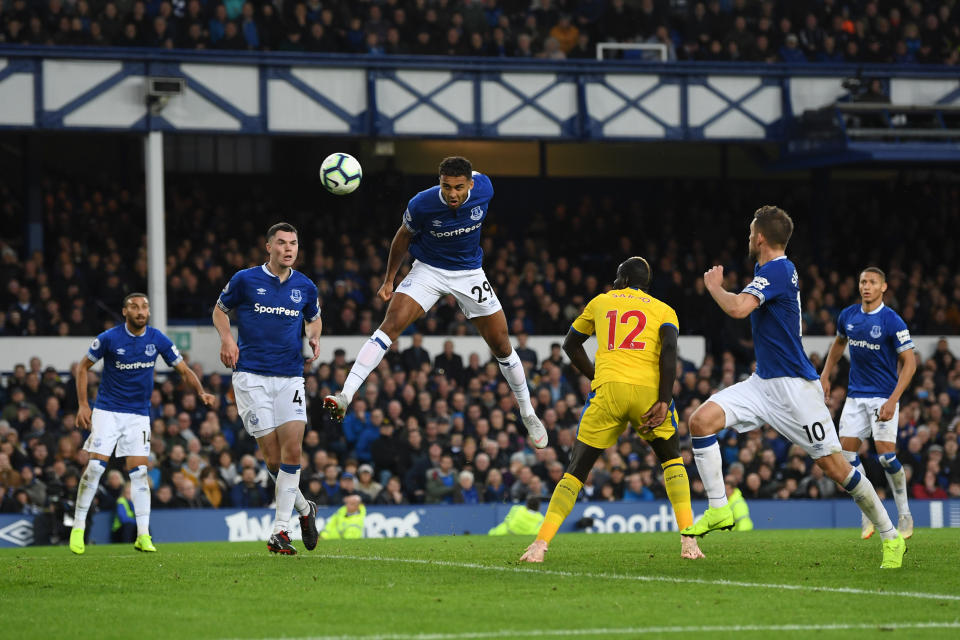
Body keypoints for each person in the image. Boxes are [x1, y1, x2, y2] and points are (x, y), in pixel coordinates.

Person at [682, 206, 905, 569]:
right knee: (701, 421)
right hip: (762, 384)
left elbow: (739, 308)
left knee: (837, 470)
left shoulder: (778, 269)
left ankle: (890, 536)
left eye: (750, 231)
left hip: (796, 391)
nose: (748, 236)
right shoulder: (767, 269)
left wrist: (714, 288)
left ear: (759, 238)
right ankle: (720, 509)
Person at [324, 157, 547, 449]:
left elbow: (479, 176)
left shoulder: (484, 188)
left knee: (502, 345)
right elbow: (402, 238)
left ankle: (528, 412)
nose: (452, 194)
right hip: (429, 269)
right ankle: (346, 395)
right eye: (445, 186)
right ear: (438, 182)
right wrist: (390, 279)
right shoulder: (422, 204)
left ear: (470, 184)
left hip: (469, 273)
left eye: (458, 187)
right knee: (389, 326)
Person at [520, 258, 704, 562]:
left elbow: (570, 344)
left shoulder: (602, 301)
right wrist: (663, 399)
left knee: (576, 470)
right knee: (671, 460)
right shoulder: (664, 310)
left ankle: (540, 545)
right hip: (648, 393)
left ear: (623, 278)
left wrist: (597, 378)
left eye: (616, 277)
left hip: (609, 392)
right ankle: (688, 540)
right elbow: (670, 350)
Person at [70, 293, 215, 555]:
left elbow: (183, 369)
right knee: (94, 467)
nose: (140, 311)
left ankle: (143, 535)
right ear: (125, 312)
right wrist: (83, 404)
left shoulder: (157, 338)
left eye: (144, 307)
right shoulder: (109, 338)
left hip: (138, 415)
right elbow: (82, 368)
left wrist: (201, 392)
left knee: (139, 475)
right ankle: (78, 526)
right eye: (134, 307)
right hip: (107, 411)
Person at [213, 222, 322, 556]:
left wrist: (314, 335)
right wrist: (228, 338)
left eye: (294, 243)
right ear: (269, 247)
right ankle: (305, 510)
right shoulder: (245, 279)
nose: (289, 249)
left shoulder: (305, 286)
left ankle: (280, 531)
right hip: (251, 378)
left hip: (290, 376)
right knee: (274, 462)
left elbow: (314, 317)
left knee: (293, 451)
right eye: (282, 243)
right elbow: (219, 310)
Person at [821, 267, 917, 540]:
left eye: (872, 282)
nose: (866, 286)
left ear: (883, 287)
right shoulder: (848, 315)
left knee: (887, 458)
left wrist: (893, 400)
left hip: (883, 398)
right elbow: (839, 343)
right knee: (847, 460)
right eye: (863, 281)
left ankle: (905, 514)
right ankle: (869, 513)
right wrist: (826, 374)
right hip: (855, 397)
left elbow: (910, 363)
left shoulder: (892, 321)